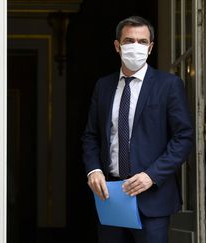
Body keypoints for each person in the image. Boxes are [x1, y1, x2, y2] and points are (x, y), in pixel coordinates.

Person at [82, 16, 194, 243]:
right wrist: (93, 170)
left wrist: (152, 175)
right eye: (129, 40)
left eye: (142, 42)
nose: (136, 46)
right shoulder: (103, 86)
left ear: (151, 47)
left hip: (152, 197)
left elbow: (184, 138)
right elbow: (91, 136)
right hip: (110, 197)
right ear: (117, 46)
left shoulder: (168, 85)